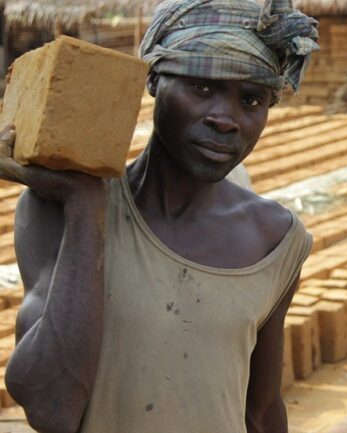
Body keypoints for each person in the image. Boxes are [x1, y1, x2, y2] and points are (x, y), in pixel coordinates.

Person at [0, 0, 318, 432]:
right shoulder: (57, 208)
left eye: (251, 99)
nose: (225, 119)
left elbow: (260, 410)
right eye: (201, 87)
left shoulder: (277, 239)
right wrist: (85, 207)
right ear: (152, 80)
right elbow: (50, 407)